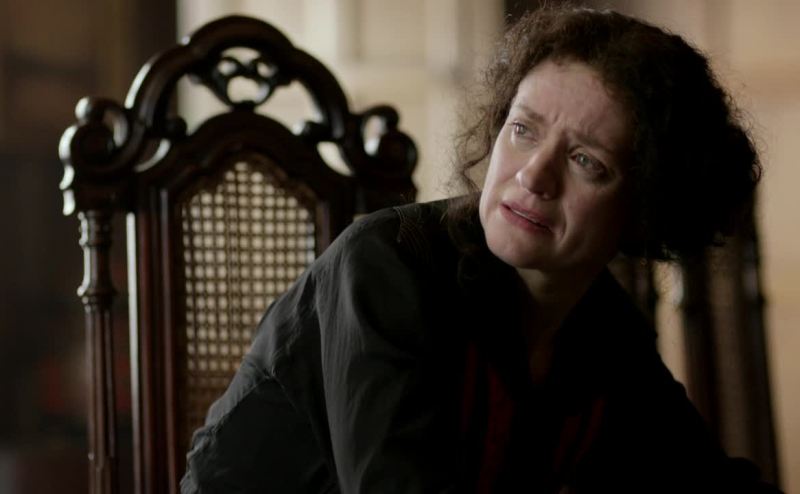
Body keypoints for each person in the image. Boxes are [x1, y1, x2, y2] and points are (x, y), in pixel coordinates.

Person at [180, 6, 781, 493]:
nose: (533, 175)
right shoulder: (385, 264)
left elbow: (701, 478)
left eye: (585, 161)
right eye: (523, 130)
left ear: (645, 206)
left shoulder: (605, 326)